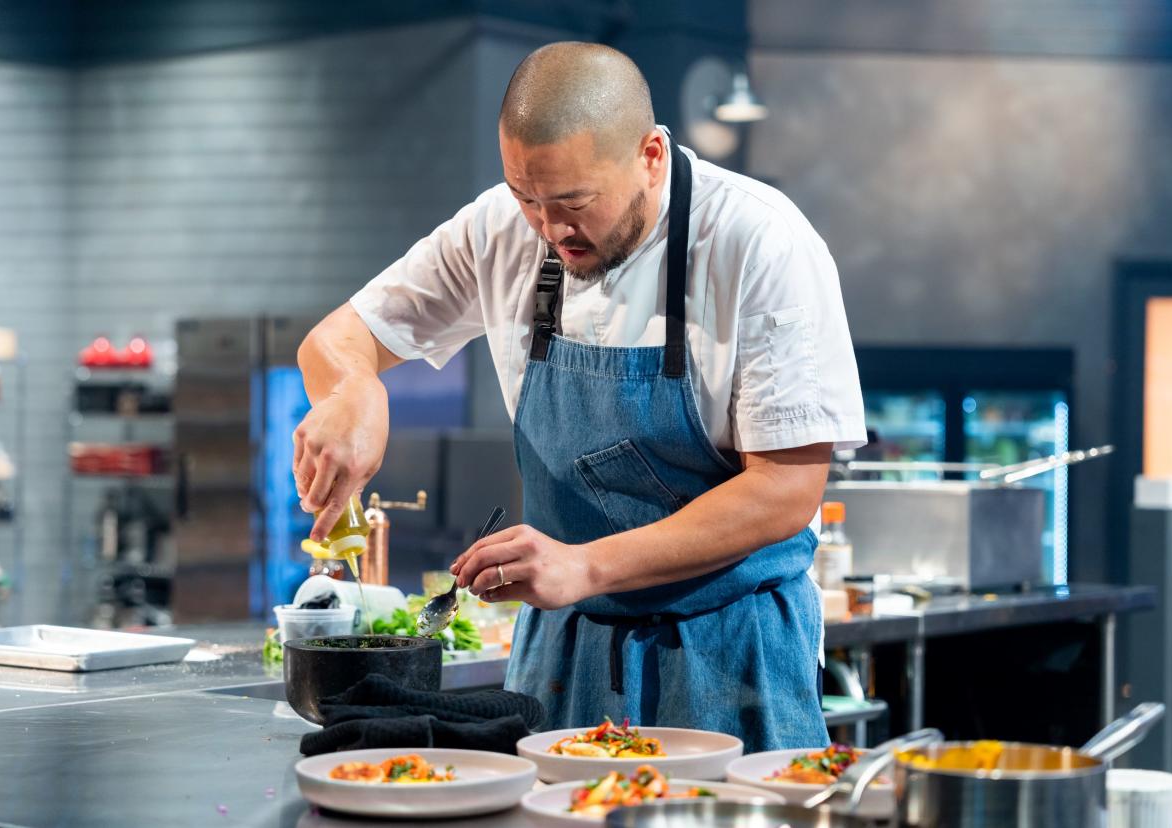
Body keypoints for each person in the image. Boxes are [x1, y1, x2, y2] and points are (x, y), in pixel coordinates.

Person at [294, 42, 866, 751]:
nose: (549, 229)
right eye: (526, 198)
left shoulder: (758, 242)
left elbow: (787, 488)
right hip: (563, 645)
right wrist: (355, 389)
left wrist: (584, 565)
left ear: (650, 155)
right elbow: (338, 336)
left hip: (729, 645)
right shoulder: (499, 229)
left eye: (574, 203)